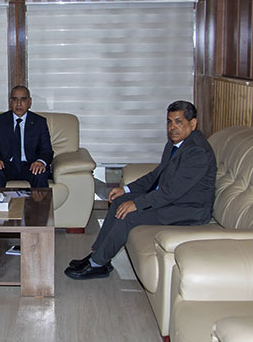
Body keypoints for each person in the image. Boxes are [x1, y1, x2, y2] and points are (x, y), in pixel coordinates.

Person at [65, 101, 216, 280]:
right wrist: (126, 190)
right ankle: (98, 255)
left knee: (129, 215)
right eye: (169, 122)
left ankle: (97, 264)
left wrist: (137, 204)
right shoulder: (176, 144)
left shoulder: (197, 151)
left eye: (178, 122)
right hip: (173, 200)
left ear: (193, 124)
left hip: (189, 209)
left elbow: (172, 192)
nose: (172, 128)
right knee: (119, 201)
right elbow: (156, 175)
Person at [0, 85, 53, 189]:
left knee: (40, 174)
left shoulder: (40, 122)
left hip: (31, 165)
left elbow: (47, 150)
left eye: (23, 99)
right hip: (6, 165)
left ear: (29, 102)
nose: (19, 103)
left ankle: (40, 201)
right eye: (15, 99)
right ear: (10, 102)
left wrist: (40, 162)